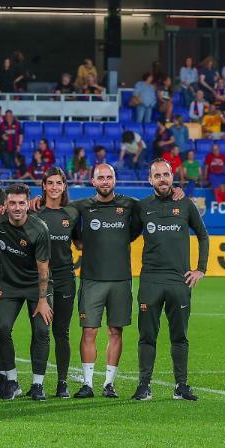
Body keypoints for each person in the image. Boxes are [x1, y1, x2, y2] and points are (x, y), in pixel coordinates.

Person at [132, 160, 208, 402]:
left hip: (179, 282)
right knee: (147, 336)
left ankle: (181, 386)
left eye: (166, 174)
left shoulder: (185, 204)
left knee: (180, 336)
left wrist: (201, 270)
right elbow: (123, 233)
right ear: (150, 179)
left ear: (172, 177)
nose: (162, 179)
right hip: (150, 282)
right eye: (157, 175)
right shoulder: (142, 207)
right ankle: (144, 386)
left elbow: (203, 236)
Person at [69, 163, 140, 399]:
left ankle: (109, 384)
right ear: (93, 181)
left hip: (120, 280)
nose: (106, 181)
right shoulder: (82, 206)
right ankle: (87, 384)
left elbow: (142, 222)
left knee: (115, 330)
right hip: (91, 280)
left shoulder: (129, 205)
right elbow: (61, 217)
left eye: (109, 177)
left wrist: (178, 193)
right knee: (88, 330)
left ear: (115, 180)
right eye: (101, 178)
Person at [0, 184, 53, 401]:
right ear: (5, 204)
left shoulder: (39, 228)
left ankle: (38, 385)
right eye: (12, 203)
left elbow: (43, 269)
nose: (17, 208)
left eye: (21, 203)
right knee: (1, 328)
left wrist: (43, 300)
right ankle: (12, 381)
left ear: (28, 204)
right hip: (10, 285)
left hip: (37, 286)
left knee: (42, 331)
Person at [34, 168, 81, 398]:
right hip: (41, 281)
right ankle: (38, 383)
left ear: (64, 187)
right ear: (43, 185)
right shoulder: (34, 212)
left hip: (65, 279)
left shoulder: (72, 213)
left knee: (61, 331)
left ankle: (62, 382)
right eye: (49, 182)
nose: (54, 187)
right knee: (40, 332)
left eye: (58, 183)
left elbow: (81, 244)